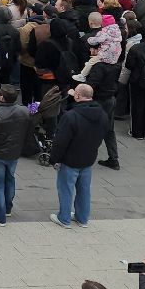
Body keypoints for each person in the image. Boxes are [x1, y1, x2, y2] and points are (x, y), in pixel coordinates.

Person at [52, 83, 105, 229]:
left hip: (70, 160)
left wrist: (54, 158)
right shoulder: (102, 114)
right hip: (88, 159)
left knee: (66, 189)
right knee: (84, 190)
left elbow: (60, 141)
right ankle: (82, 218)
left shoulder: (71, 116)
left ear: (77, 95)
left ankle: (64, 218)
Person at [0, 87, 32, 225]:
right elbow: (27, 132)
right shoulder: (24, 111)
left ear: (1, 97)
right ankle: (7, 208)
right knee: (10, 179)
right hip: (14, 153)